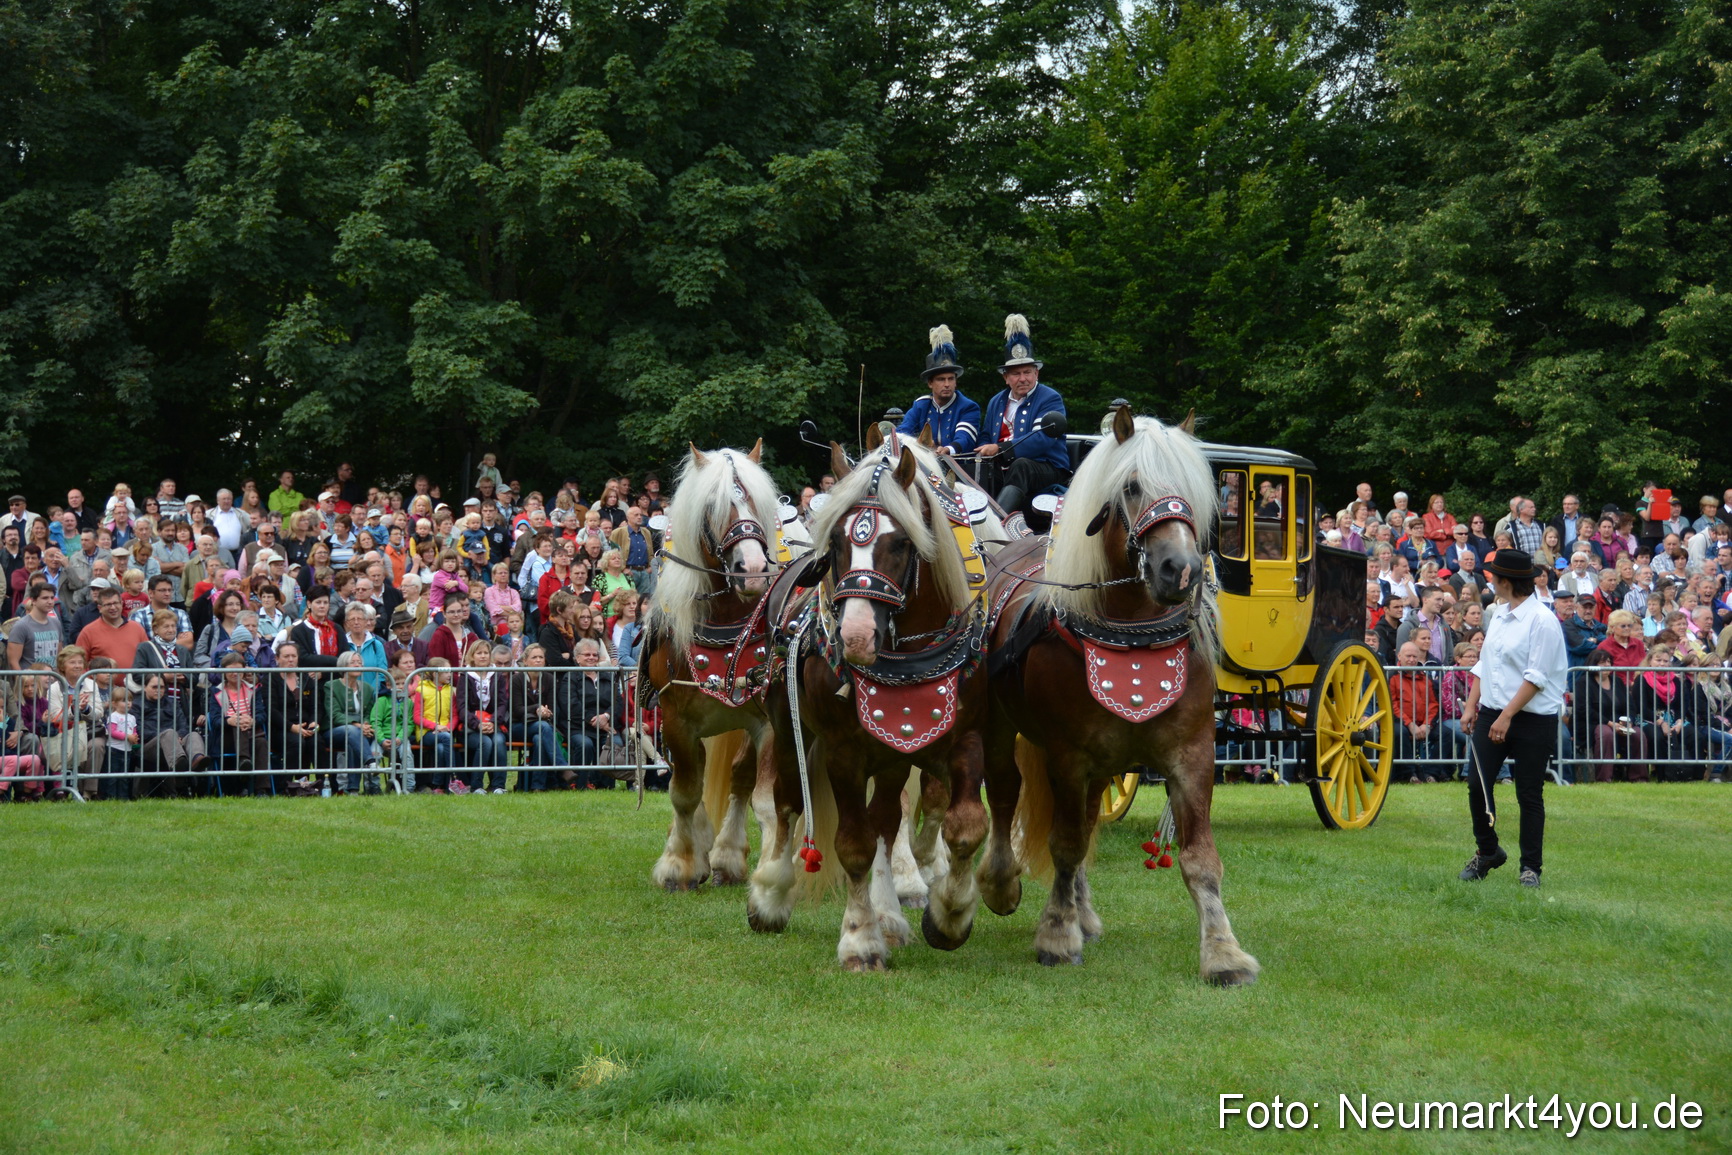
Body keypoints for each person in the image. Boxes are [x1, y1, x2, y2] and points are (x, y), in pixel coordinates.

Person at [1458, 549, 1569, 888]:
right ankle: (1488, 851)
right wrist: (1471, 705)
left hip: (1532, 718)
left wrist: (1506, 716)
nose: (1488, 580)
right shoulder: (1500, 615)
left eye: (1492, 576)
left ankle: (1530, 868)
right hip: (1493, 711)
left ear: (1505, 582)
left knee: (1529, 794)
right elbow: (1484, 664)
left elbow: (1536, 677)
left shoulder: (1543, 621)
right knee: (1477, 785)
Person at [976, 314, 1068, 520]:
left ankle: (994, 522)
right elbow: (985, 435)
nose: (1023, 378)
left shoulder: (1049, 398)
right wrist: (982, 451)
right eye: (1016, 374)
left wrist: (999, 449)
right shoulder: (996, 402)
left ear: (1037, 373)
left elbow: (1041, 440)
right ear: (1006, 378)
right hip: (1004, 466)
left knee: (1022, 465)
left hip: (1047, 467)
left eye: (1027, 372)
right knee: (976, 469)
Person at [896, 324, 981, 457]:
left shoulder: (968, 407)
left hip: (960, 469)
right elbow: (902, 433)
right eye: (941, 379)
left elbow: (964, 439)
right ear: (930, 383)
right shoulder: (921, 405)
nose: (947, 384)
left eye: (951, 379)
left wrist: (947, 449)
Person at [326, 651, 381, 794]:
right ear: (343, 666)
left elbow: (369, 712)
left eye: (359, 662)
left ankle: (353, 789)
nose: (357, 665)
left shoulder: (368, 688)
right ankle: (370, 762)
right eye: (353, 662)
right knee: (352, 732)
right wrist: (358, 725)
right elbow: (335, 714)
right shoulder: (331, 686)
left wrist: (367, 725)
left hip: (359, 732)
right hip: (334, 730)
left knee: (353, 739)